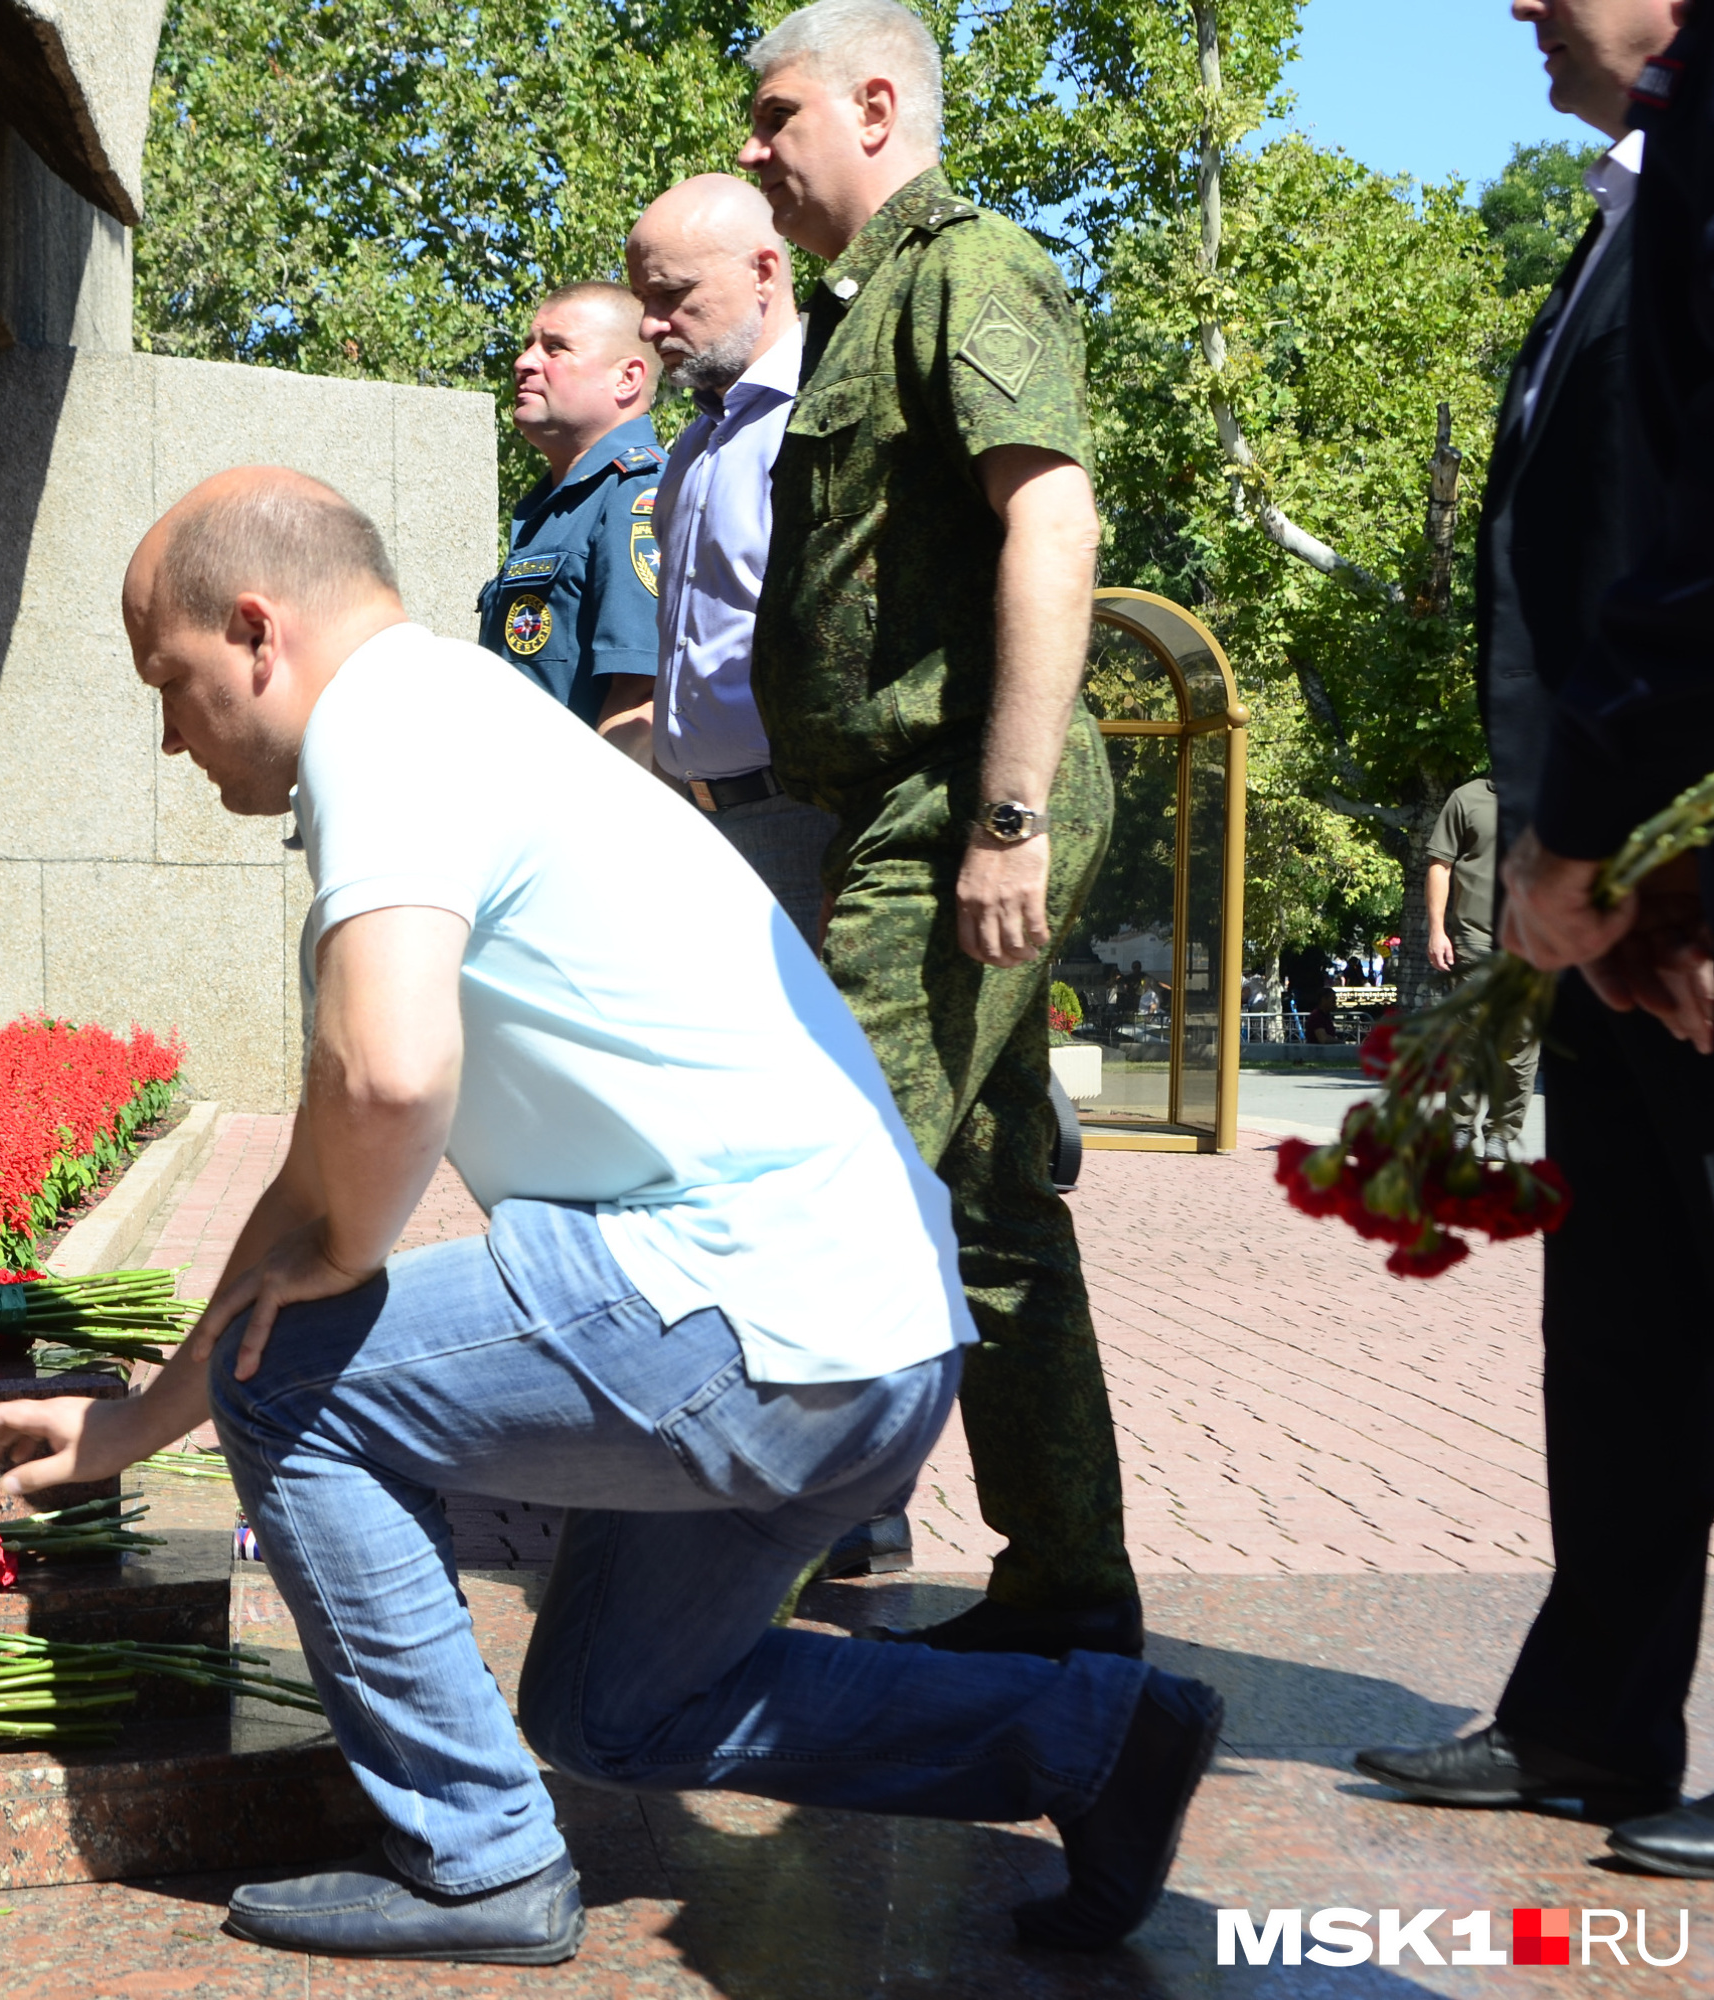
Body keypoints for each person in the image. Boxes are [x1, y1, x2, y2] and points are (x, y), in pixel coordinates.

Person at [0, 466, 1224, 1963]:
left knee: (298, 1376)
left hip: (743, 1312)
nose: (172, 735)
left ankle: (479, 1860)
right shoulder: (465, 719)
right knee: (610, 1711)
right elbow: (312, 1177)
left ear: (255, 632)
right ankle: (1094, 1737)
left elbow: (383, 1081)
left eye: (169, 685)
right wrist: (129, 1427)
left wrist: (332, 1282)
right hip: (866, 1343)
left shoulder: (388, 723)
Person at [735, 0, 1139, 1661]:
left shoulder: (968, 271)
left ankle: (692, 1607)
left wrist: (1007, 817)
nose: (755, 152)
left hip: (958, 802)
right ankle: (1070, 1600)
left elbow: (1052, 517)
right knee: (988, 1218)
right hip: (905, 809)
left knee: (811, 1186)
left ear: (877, 104)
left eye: (777, 116)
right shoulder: (862, 306)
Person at [1358, 0, 1714, 1876]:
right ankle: (1589, 1724)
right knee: (1635, 1326)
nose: (1514, 3)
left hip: (1687, 873)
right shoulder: (1621, 217)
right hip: (1612, 895)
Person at [623, 175, 847, 942]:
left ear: (764, 272)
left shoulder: (829, 417)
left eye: (672, 296)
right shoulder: (693, 446)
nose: (650, 327)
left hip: (805, 829)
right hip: (693, 824)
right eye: (642, 301)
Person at [474, 283, 664, 743]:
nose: (524, 363)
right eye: (527, 346)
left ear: (627, 379)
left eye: (555, 348)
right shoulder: (555, 506)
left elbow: (641, 702)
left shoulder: (637, 493)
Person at [1422, 775, 1538, 1152]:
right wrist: (1437, 930)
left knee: (1520, 1041)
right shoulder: (1466, 797)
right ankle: (1459, 1127)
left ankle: (1502, 1133)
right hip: (1475, 938)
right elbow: (1440, 865)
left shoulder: (1551, 793)